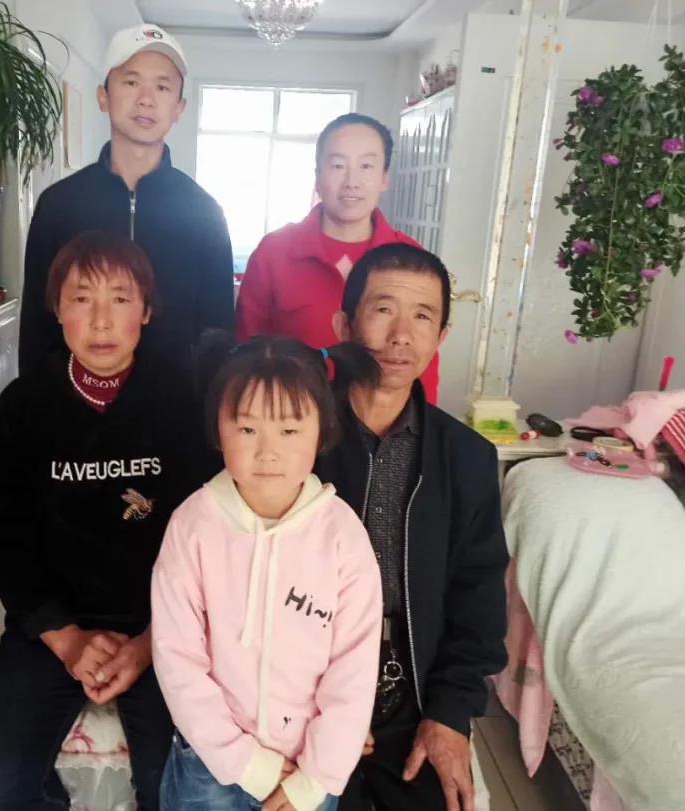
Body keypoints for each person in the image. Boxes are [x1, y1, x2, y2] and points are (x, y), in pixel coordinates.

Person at [0, 232, 201, 811]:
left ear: (146, 311)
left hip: (164, 626)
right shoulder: (21, 409)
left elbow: (209, 540)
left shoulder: (183, 403)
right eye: (82, 298)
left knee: (175, 789)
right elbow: (0, 539)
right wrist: (65, 639)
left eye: (120, 299)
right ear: (57, 309)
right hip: (51, 623)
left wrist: (149, 644)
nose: (101, 321)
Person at [152, 335, 385, 811]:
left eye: (289, 430)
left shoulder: (343, 536)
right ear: (217, 429)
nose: (267, 452)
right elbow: (177, 658)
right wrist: (242, 762)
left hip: (305, 771)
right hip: (209, 764)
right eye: (246, 428)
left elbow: (354, 671)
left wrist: (317, 778)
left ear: (322, 432)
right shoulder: (192, 526)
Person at [316, 243, 508, 811]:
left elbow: (478, 600)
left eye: (422, 316)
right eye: (383, 310)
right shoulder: (297, 436)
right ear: (344, 325)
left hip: (409, 694)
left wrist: (449, 715)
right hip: (306, 689)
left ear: (441, 335)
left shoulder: (466, 457)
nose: (401, 335)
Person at [19, 23, 233, 376]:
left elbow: (218, 333)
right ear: (103, 96)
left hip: (175, 402)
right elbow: (37, 324)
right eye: (131, 82)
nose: (146, 99)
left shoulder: (204, 213)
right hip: (75, 400)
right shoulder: (59, 204)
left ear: (179, 108)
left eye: (162, 86)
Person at [235, 113, 441, 404]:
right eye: (337, 166)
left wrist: (422, 427)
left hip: (383, 425)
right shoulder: (275, 252)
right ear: (318, 176)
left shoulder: (410, 259)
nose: (351, 182)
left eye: (366, 166)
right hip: (294, 420)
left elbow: (424, 358)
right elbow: (247, 354)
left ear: (384, 177)